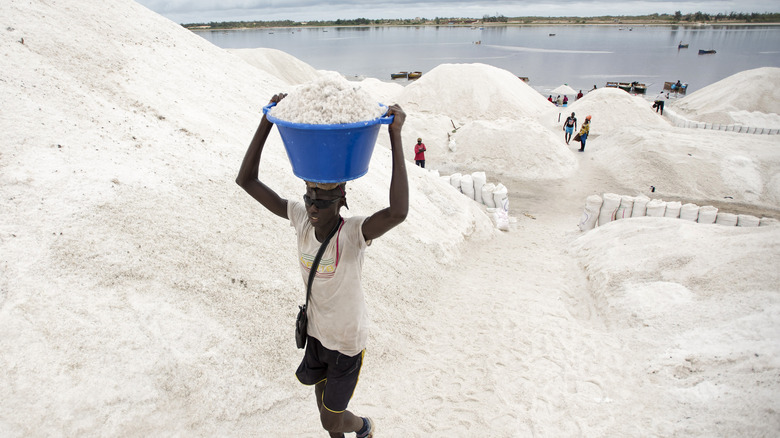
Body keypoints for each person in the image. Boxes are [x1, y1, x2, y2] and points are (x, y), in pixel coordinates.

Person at [236, 93, 409, 438]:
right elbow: (247, 181)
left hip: (345, 343)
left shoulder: (354, 233)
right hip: (317, 336)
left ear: (342, 198)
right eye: (309, 196)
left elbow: (397, 212)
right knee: (323, 409)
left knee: (332, 419)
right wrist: (267, 120)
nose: (313, 206)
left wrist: (395, 135)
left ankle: (363, 427)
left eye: (323, 199)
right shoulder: (300, 218)